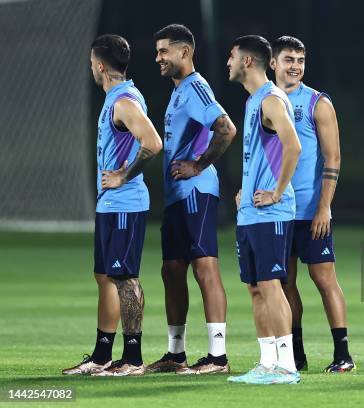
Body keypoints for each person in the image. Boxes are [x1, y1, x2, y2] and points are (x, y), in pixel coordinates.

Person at [62, 34, 162, 376]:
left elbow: (153, 143)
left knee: (125, 278)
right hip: (110, 205)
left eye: (92, 63)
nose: (91, 67)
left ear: (100, 66)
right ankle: (102, 355)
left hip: (125, 204)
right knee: (104, 275)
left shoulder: (124, 102)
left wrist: (123, 175)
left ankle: (132, 358)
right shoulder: (116, 98)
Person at [146, 24, 237, 375]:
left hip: (196, 193)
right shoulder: (179, 90)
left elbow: (226, 128)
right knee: (172, 270)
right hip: (176, 197)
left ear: (184, 52)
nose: (158, 58)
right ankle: (176, 354)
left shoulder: (196, 87)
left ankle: (218, 357)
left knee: (205, 267)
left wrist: (198, 165)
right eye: (157, 52)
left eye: (163, 51)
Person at [270, 36, 354, 373]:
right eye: (289, 59)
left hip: (310, 210)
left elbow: (333, 157)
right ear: (272, 62)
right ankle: (296, 353)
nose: (295, 66)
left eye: (300, 60)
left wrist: (324, 207)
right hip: (277, 210)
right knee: (285, 283)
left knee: (324, 279)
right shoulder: (265, 101)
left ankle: (343, 354)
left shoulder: (317, 102)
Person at [225, 35, 302, 385]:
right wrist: (247, 189)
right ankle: (267, 362)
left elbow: (294, 146)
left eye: (231, 57)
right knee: (255, 287)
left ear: (247, 62)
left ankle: (286, 366)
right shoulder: (254, 100)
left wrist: (276, 192)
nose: (227, 63)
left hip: (271, 213)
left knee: (272, 285)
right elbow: (263, 155)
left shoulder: (271, 100)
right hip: (250, 214)